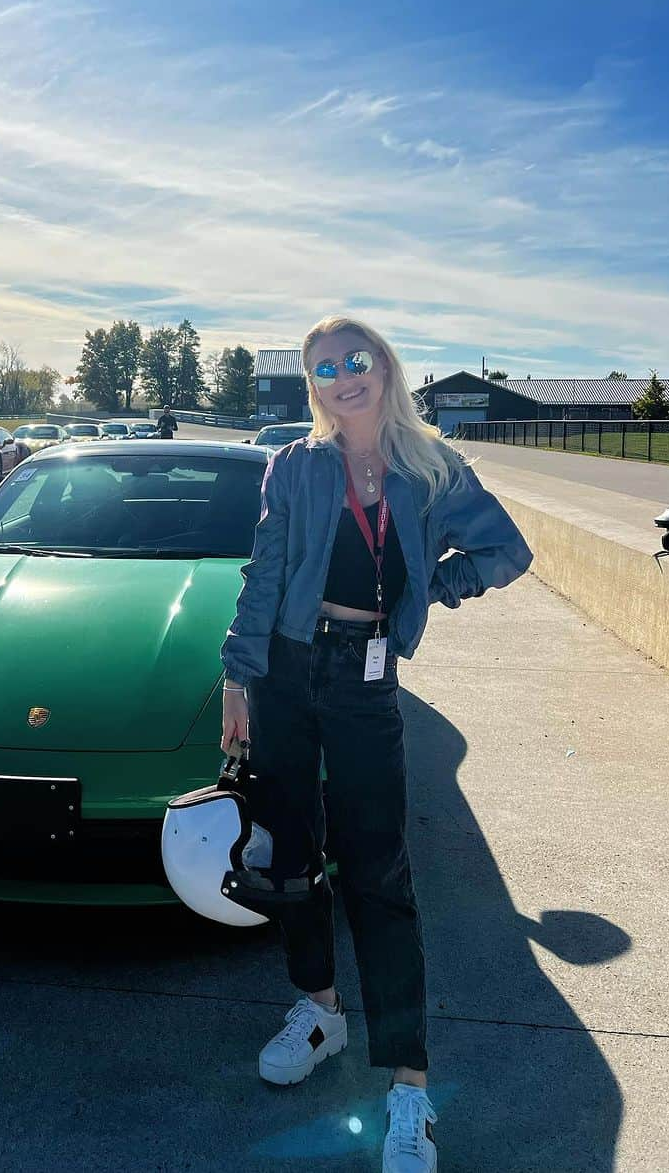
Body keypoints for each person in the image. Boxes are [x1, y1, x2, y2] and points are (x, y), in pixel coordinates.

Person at [219, 315, 533, 1173]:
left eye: (356, 360)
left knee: (380, 874)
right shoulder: (294, 466)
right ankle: (318, 1010)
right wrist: (238, 678)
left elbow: (510, 549)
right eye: (325, 368)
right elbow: (264, 574)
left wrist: (434, 586)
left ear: (384, 367)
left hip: (364, 679)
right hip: (286, 674)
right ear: (313, 386)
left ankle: (409, 1090)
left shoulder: (433, 469)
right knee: (291, 853)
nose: (342, 377)